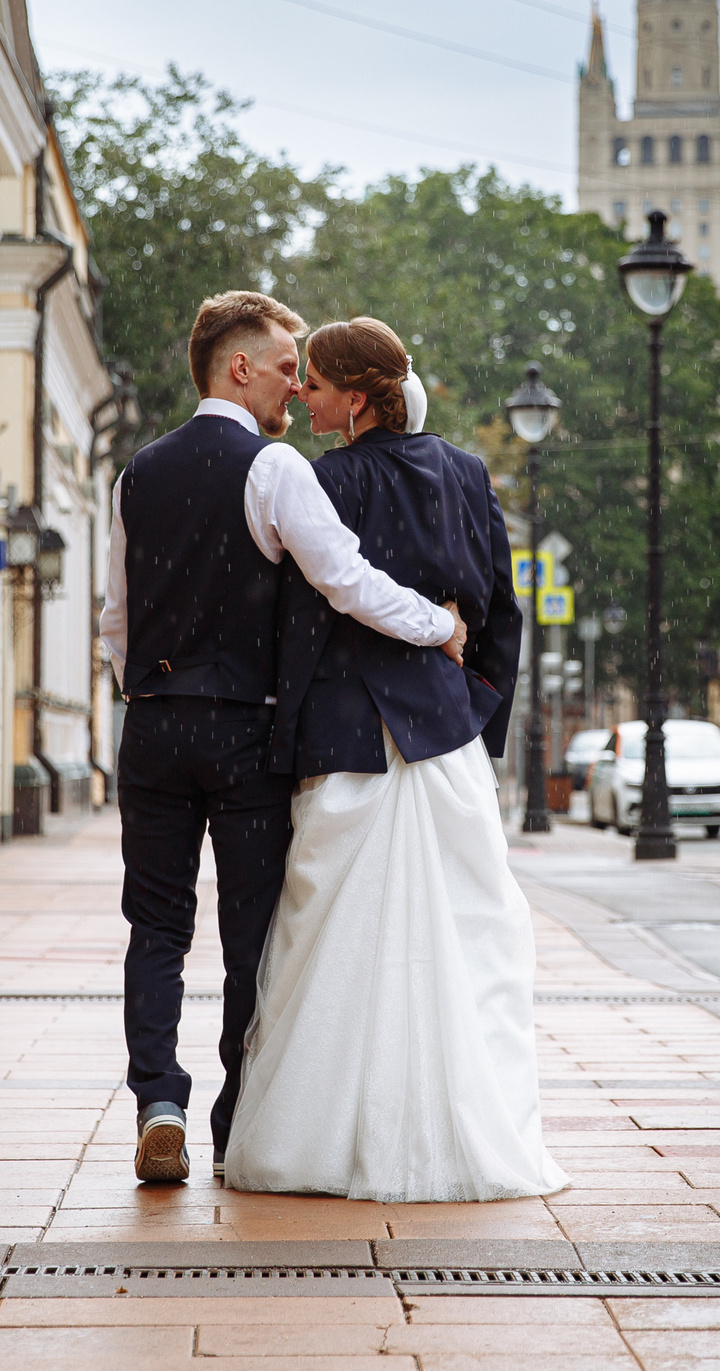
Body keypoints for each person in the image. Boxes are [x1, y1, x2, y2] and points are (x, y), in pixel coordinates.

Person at [97, 292, 468, 1185]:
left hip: (151, 724)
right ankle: (235, 1118)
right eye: (284, 366)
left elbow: (114, 619)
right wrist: (437, 626)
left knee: (154, 924)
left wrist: (146, 688)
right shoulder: (274, 470)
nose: (296, 387)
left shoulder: (135, 474)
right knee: (249, 934)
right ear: (238, 366)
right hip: (242, 734)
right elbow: (346, 581)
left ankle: (159, 1099)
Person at [223, 318, 569, 1202]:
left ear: (358, 396)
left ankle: (317, 1139)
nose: (302, 391)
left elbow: (300, 624)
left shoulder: (321, 480)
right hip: (443, 735)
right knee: (469, 933)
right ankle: (468, 1127)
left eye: (318, 381)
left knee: (328, 936)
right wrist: (476, 712)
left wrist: (284, 734)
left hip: (345, 734)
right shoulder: (462, 471)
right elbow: (499, 608)